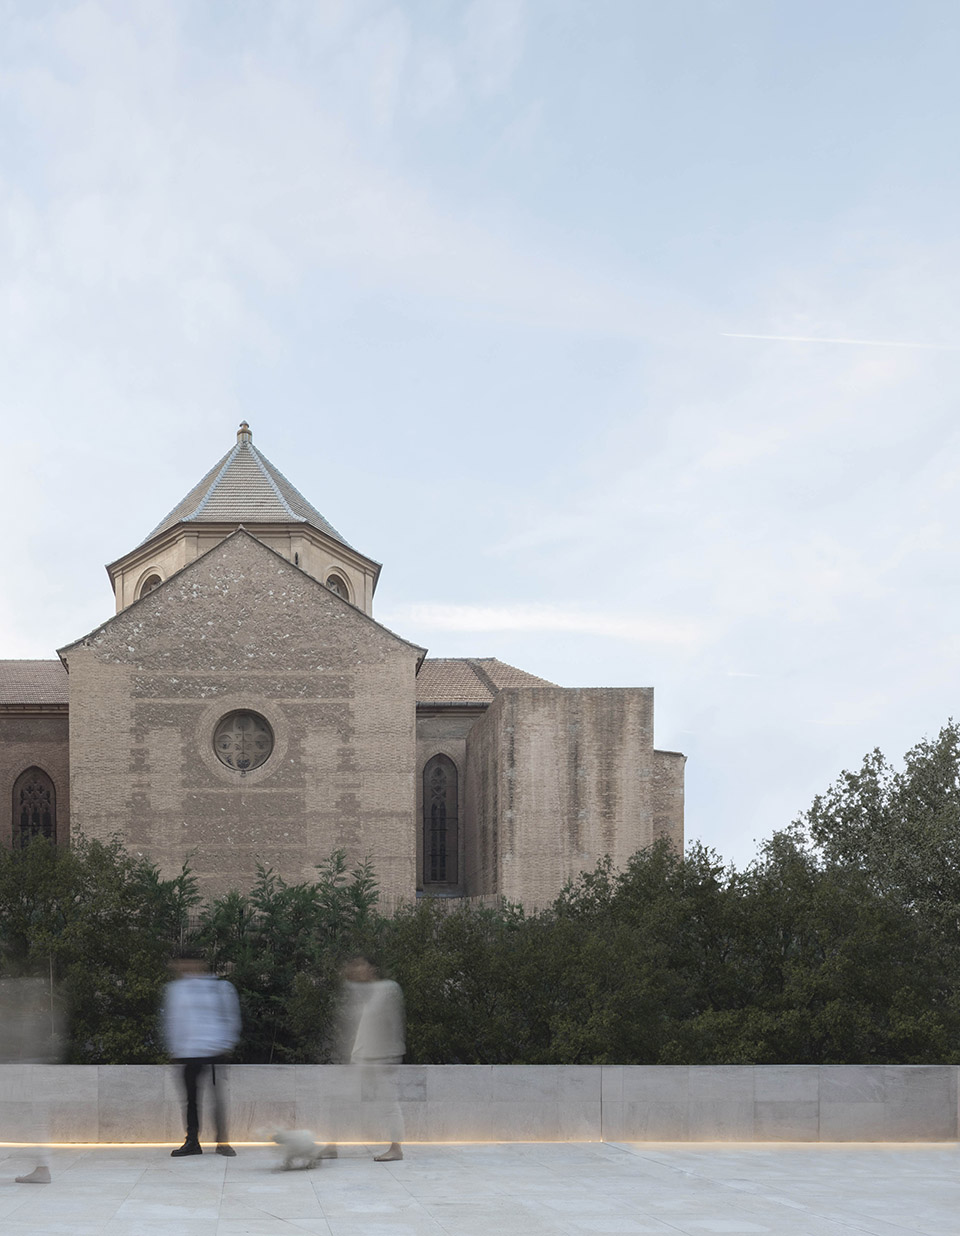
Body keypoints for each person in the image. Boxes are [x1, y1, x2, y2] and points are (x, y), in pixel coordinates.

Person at [326, 957, 405, 1162]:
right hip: (363, 1058)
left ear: (371, 968)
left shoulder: (388, 989)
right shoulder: (367, 994)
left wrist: (394, 1054)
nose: (356, 970)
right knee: (341, 1099)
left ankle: (396, 1149)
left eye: (360, 965)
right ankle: (331, 1145)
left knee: (389, 1103)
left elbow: (393, 1024)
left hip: (383, 1059)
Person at [162, 953, 241, 1158]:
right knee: (190, 1100)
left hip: (214, 1050)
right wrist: (175, 1048)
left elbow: (230, 1016)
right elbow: (172, 1020)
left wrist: (226, 1043)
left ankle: (222, 1142)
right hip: (188, 1052)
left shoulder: (219, 987)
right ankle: (192, 1141)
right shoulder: (176, 990)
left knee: (217, 1099)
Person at [0, 973, 64, 1184]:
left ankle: (43, 1168)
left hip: (23, 1069)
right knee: (34, 1120)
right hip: (27, 1067)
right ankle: (42, 1167)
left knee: (33, 1120)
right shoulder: (34, 1016)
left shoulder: (23, 1018)